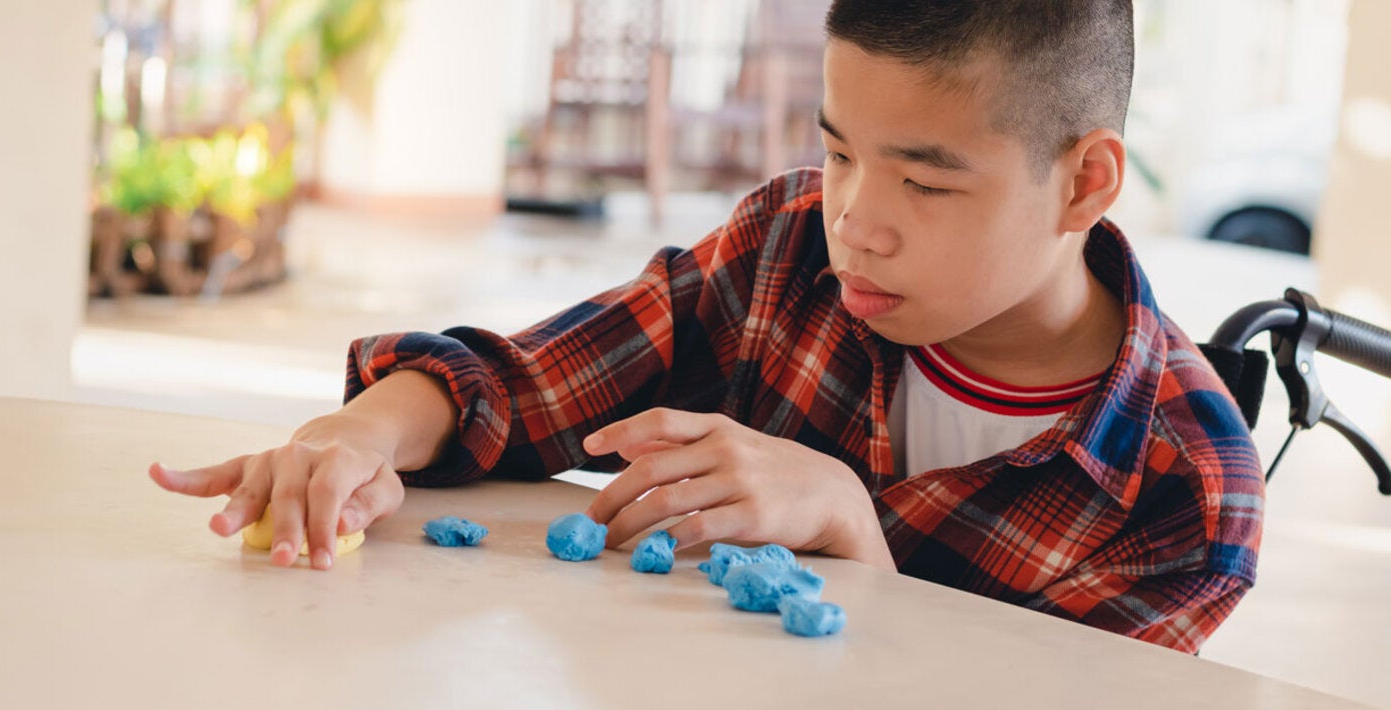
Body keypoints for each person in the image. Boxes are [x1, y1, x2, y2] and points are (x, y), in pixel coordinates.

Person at [150, 0, 1263, 653]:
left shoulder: (1189, 497)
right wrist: (362, 433)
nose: (854, 222)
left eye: (926, 183)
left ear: (1085, 183)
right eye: (838, 151)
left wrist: (853, 539)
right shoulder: (784, 250)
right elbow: (530, 382)